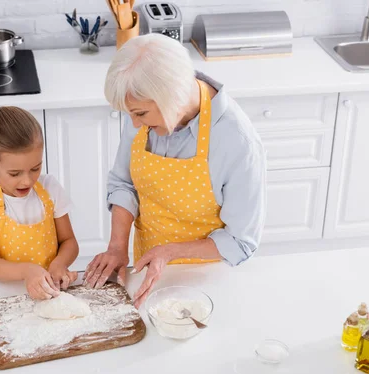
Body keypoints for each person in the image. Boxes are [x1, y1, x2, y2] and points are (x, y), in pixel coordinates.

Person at [84, 34, 267, 308]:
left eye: (141, 114)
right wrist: (117, 247)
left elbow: (240, 241)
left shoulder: (236, 142)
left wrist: (169, 253)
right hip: (146, 272)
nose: (133, 124)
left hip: (206, 279)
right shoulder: (142, 104)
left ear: (172, 97)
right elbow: (124, 183)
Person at [0, 106, 79, 300]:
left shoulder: (50, 187)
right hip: (3, 294)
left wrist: (59, 264)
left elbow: (69, 241)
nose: (27, 181)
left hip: (49, 289)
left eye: (35, 168)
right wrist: (28, 271)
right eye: (15, 173)